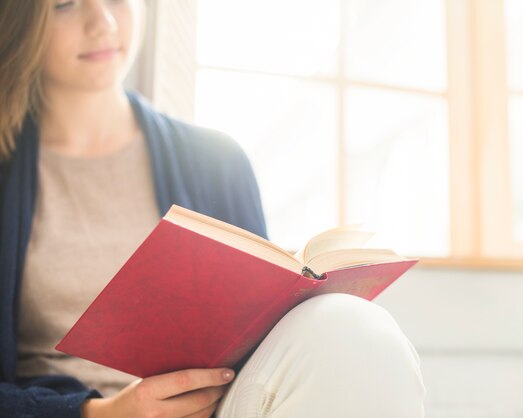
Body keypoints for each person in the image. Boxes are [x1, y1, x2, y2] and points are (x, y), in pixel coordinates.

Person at [0, 0, 426, 417]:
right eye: (64, 5)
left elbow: (268, 332)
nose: (104, 22)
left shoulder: (217, 161)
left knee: (354, 325)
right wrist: (102, 412)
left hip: (221, 405)